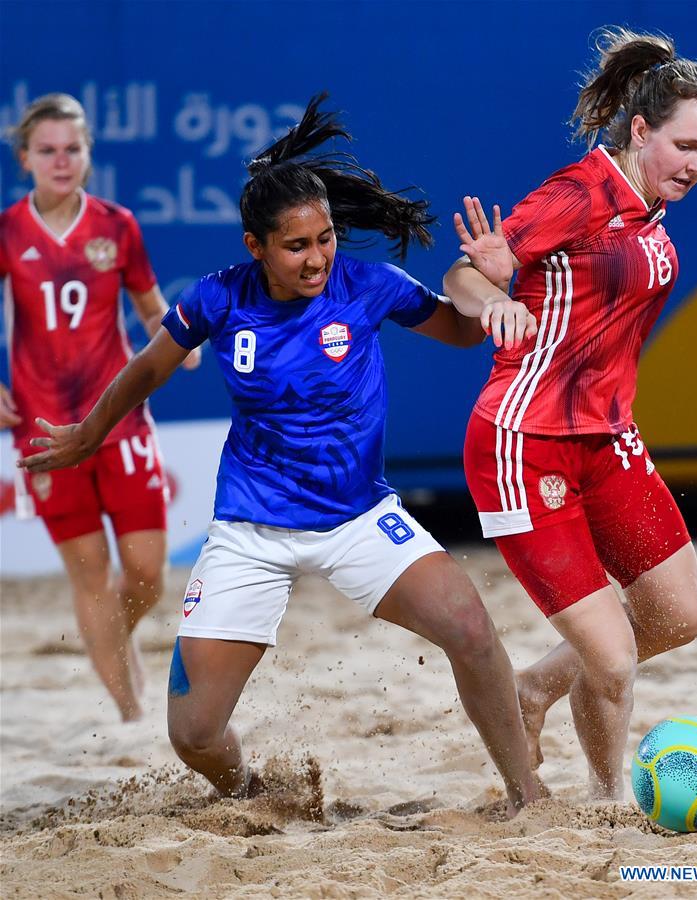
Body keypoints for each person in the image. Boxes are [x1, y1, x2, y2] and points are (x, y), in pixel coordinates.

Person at [19, 93, 545, 814]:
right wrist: (90, 431)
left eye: (325, 238)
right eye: (296, 246)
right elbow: (147, 368)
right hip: (251, 530)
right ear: (254, 246)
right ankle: (251, 795)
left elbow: (459, 332)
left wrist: (491, 284)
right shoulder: (218, 298)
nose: (317, 257)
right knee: (194, 733)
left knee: (472, 631)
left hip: (358, 516)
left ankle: (526, 792)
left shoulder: (369, 286)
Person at [443, 29, 697, 800]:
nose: (695, 166)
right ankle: (610, 807)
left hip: (607, 439)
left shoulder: (648, 204)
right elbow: (461, 275)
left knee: (678, 615)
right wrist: (497, 297)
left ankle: (533, 688)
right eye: (683, 146)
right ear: (639, 130)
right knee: (609, 660)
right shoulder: (580, 193)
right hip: (523, 442)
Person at [0, 93, 200, 722]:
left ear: (88, 155)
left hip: (119, 418)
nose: (62, 160)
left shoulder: (117, 225)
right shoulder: (8, 230)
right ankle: (129, 718)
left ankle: (116, 639)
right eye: (48, 150)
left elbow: (147, 309)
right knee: (88, 577)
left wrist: (178, 342)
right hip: (45, 431)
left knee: (147, 573)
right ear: (26, 158)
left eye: (73, 149)